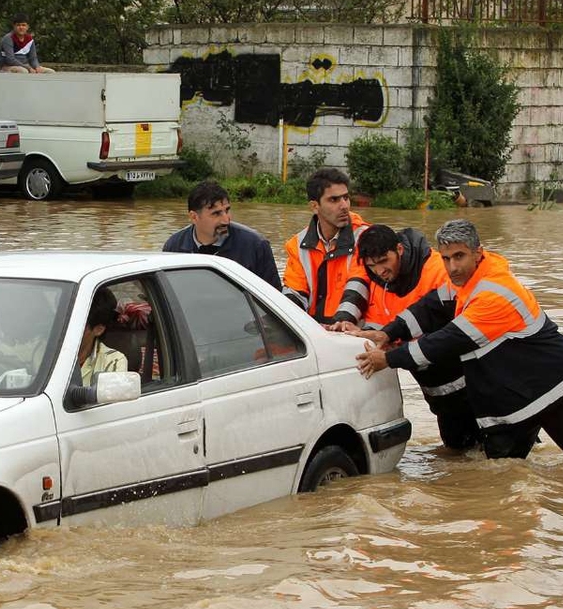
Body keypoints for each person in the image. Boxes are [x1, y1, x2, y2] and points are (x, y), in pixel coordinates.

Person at [353, 219, 563, 464]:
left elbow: (447, 341)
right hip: (517, 401)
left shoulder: (492, 293)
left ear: (478, 253)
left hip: (559, 390)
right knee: (497, 475)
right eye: (446, 258)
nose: (452, 267)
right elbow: (430, 307)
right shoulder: (466, 281)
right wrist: (388, 332)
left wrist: (387, 359)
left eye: (459, 256)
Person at [345, 224, 480, 450]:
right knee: (457, 453)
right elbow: (387, 321)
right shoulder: (380, 282)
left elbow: (449, 331)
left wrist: (390, 356)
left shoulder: (439, 270)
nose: (380, 271)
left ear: (399, 249)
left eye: (383, 261)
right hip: (436, 388)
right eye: (372, 266)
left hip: (471, 382)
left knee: (492, 451)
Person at [283, 167, 371, 323]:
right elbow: (295, 293)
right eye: (334, 200)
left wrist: (340, 324)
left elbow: (359, 286)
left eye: (346, 197)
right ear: (314, 206)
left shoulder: (365, 237)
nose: (344, 205)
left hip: (353, 331)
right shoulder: (297, 244)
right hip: (313, 330)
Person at [162, 180, 282, 290]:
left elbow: (274, 299)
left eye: (227, 210)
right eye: (216, 213)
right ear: (194, 217)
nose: (226, 220)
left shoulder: (256, 246)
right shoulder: (173, 247)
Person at [79, 287, 129, 385]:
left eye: (77, 325)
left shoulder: (113, 362)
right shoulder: (41, 351)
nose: (67, 329)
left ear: (98, 329)